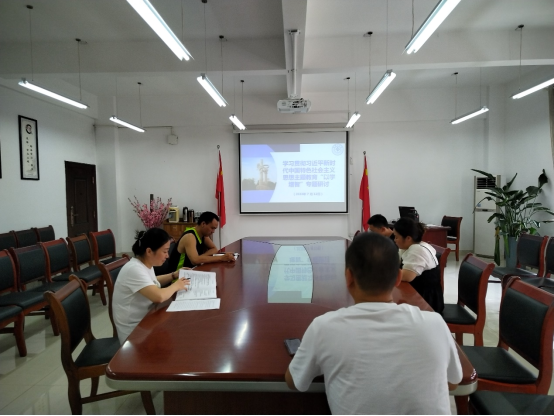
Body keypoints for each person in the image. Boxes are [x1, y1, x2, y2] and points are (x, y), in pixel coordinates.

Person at [285, 233, 462, 415]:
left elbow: (294, 382)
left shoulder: (324, 328)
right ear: (398, 278)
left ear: (348, 277)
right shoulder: (435, 324)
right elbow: (453, 382)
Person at [113, 228, 191, 344]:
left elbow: (151, 282)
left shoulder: (144, 264)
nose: (167, 256)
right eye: (165, 251)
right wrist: (177, 285)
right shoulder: (134, 269)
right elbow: (159, 297)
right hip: (134, 333)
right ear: (149, 251)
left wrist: (173, 275)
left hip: (147, 320)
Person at [393, 217, 444, 313]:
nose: (394, 240)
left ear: (408, 238)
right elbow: (396, 263)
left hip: (427, 301)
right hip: (417, 292)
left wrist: (383, 272)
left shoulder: (417, 250)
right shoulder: (408, 246)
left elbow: (407, 276)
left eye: (396, 237)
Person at [168, 211, 235, 271]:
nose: (213, 231)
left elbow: (214, 249)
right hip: (179, 276)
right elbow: (195, 260)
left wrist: (201, 257)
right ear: (203, 224)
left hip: (192, 271)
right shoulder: (189, 237)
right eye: (212, 228)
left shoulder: (203, 235)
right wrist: (221, 258)